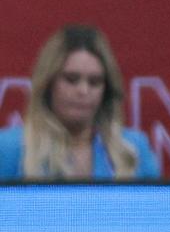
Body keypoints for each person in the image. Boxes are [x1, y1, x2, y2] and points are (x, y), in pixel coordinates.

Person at [0, 24, 160, 181]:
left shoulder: (134, 149)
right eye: (71, 79)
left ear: (106, 90)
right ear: (48, 84)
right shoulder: (8, 148)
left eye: (94, 82)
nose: (83, 91)